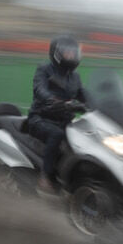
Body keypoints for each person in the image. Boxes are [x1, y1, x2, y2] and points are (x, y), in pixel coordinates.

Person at [27, 35, 87, 194]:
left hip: (65, 121)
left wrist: (98, 105)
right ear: (57, 53)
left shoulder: (75, 77)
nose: (72, 56)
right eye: (68, 53)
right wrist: (51, 99)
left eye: (74, 53)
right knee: (56, 134)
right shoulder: (44, 70)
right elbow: (40, 89)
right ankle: (45, 177)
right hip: (40, 119)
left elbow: (84, 95)